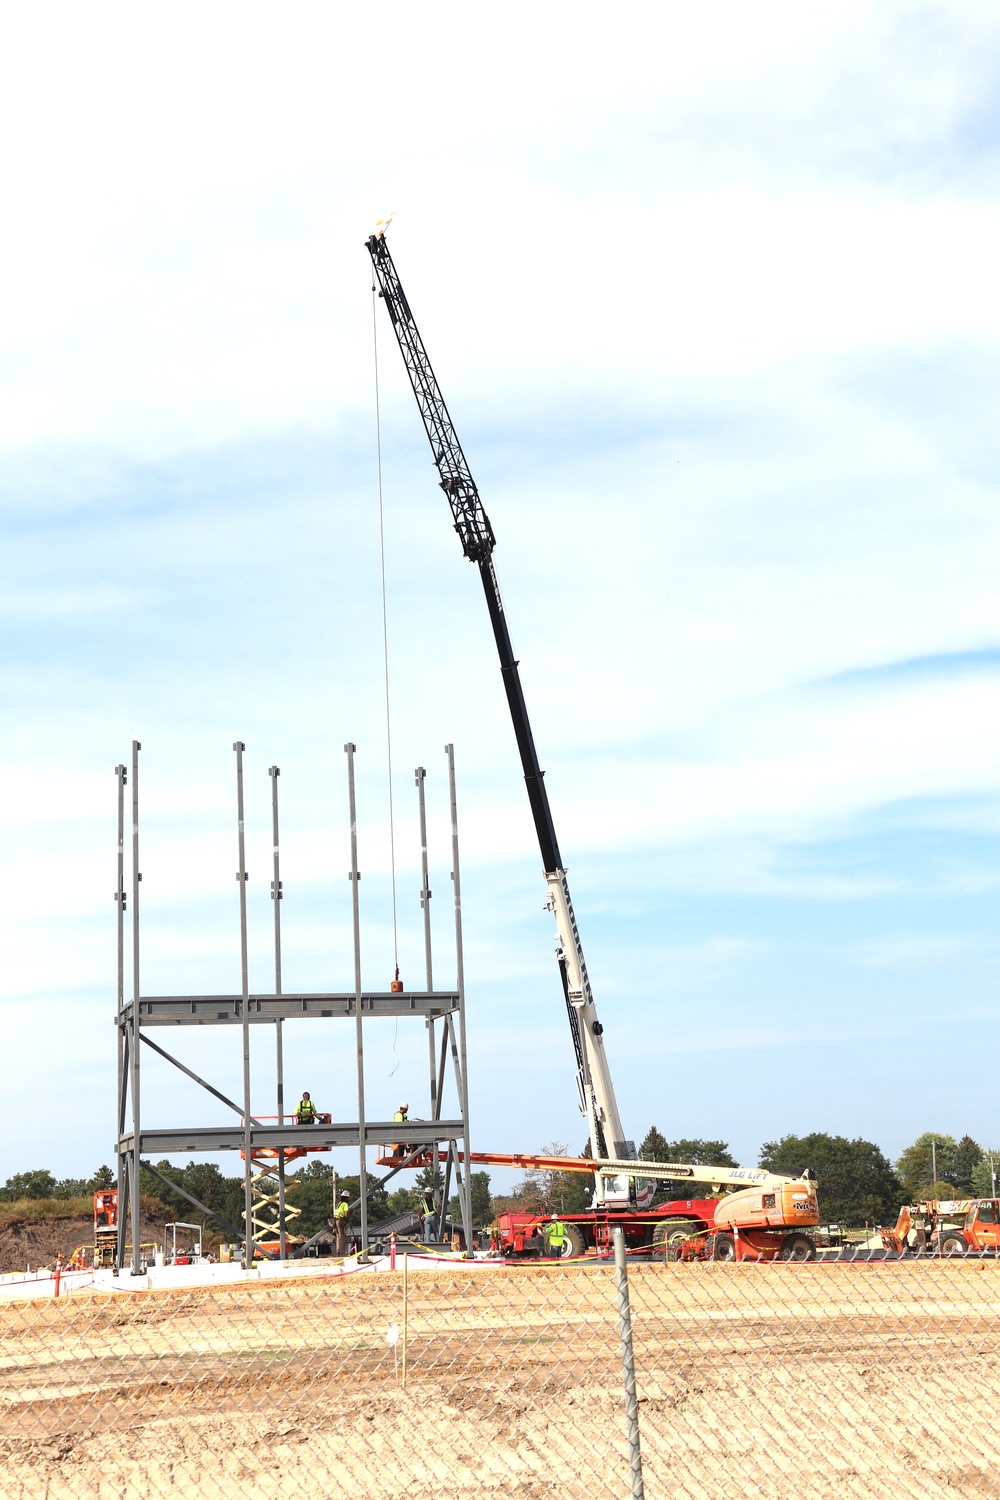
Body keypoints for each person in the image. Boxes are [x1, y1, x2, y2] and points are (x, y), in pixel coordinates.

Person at [333, 1192, 350, 1256]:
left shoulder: (339, 1204)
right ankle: (342, 1252)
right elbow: (345, 1214)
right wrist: (348, 1218)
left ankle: (338, 1251)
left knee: (338, 1236)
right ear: (346, 1198)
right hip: (340, 1220)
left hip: (336, 1220)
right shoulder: (345, 1204)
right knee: (342, 1236)